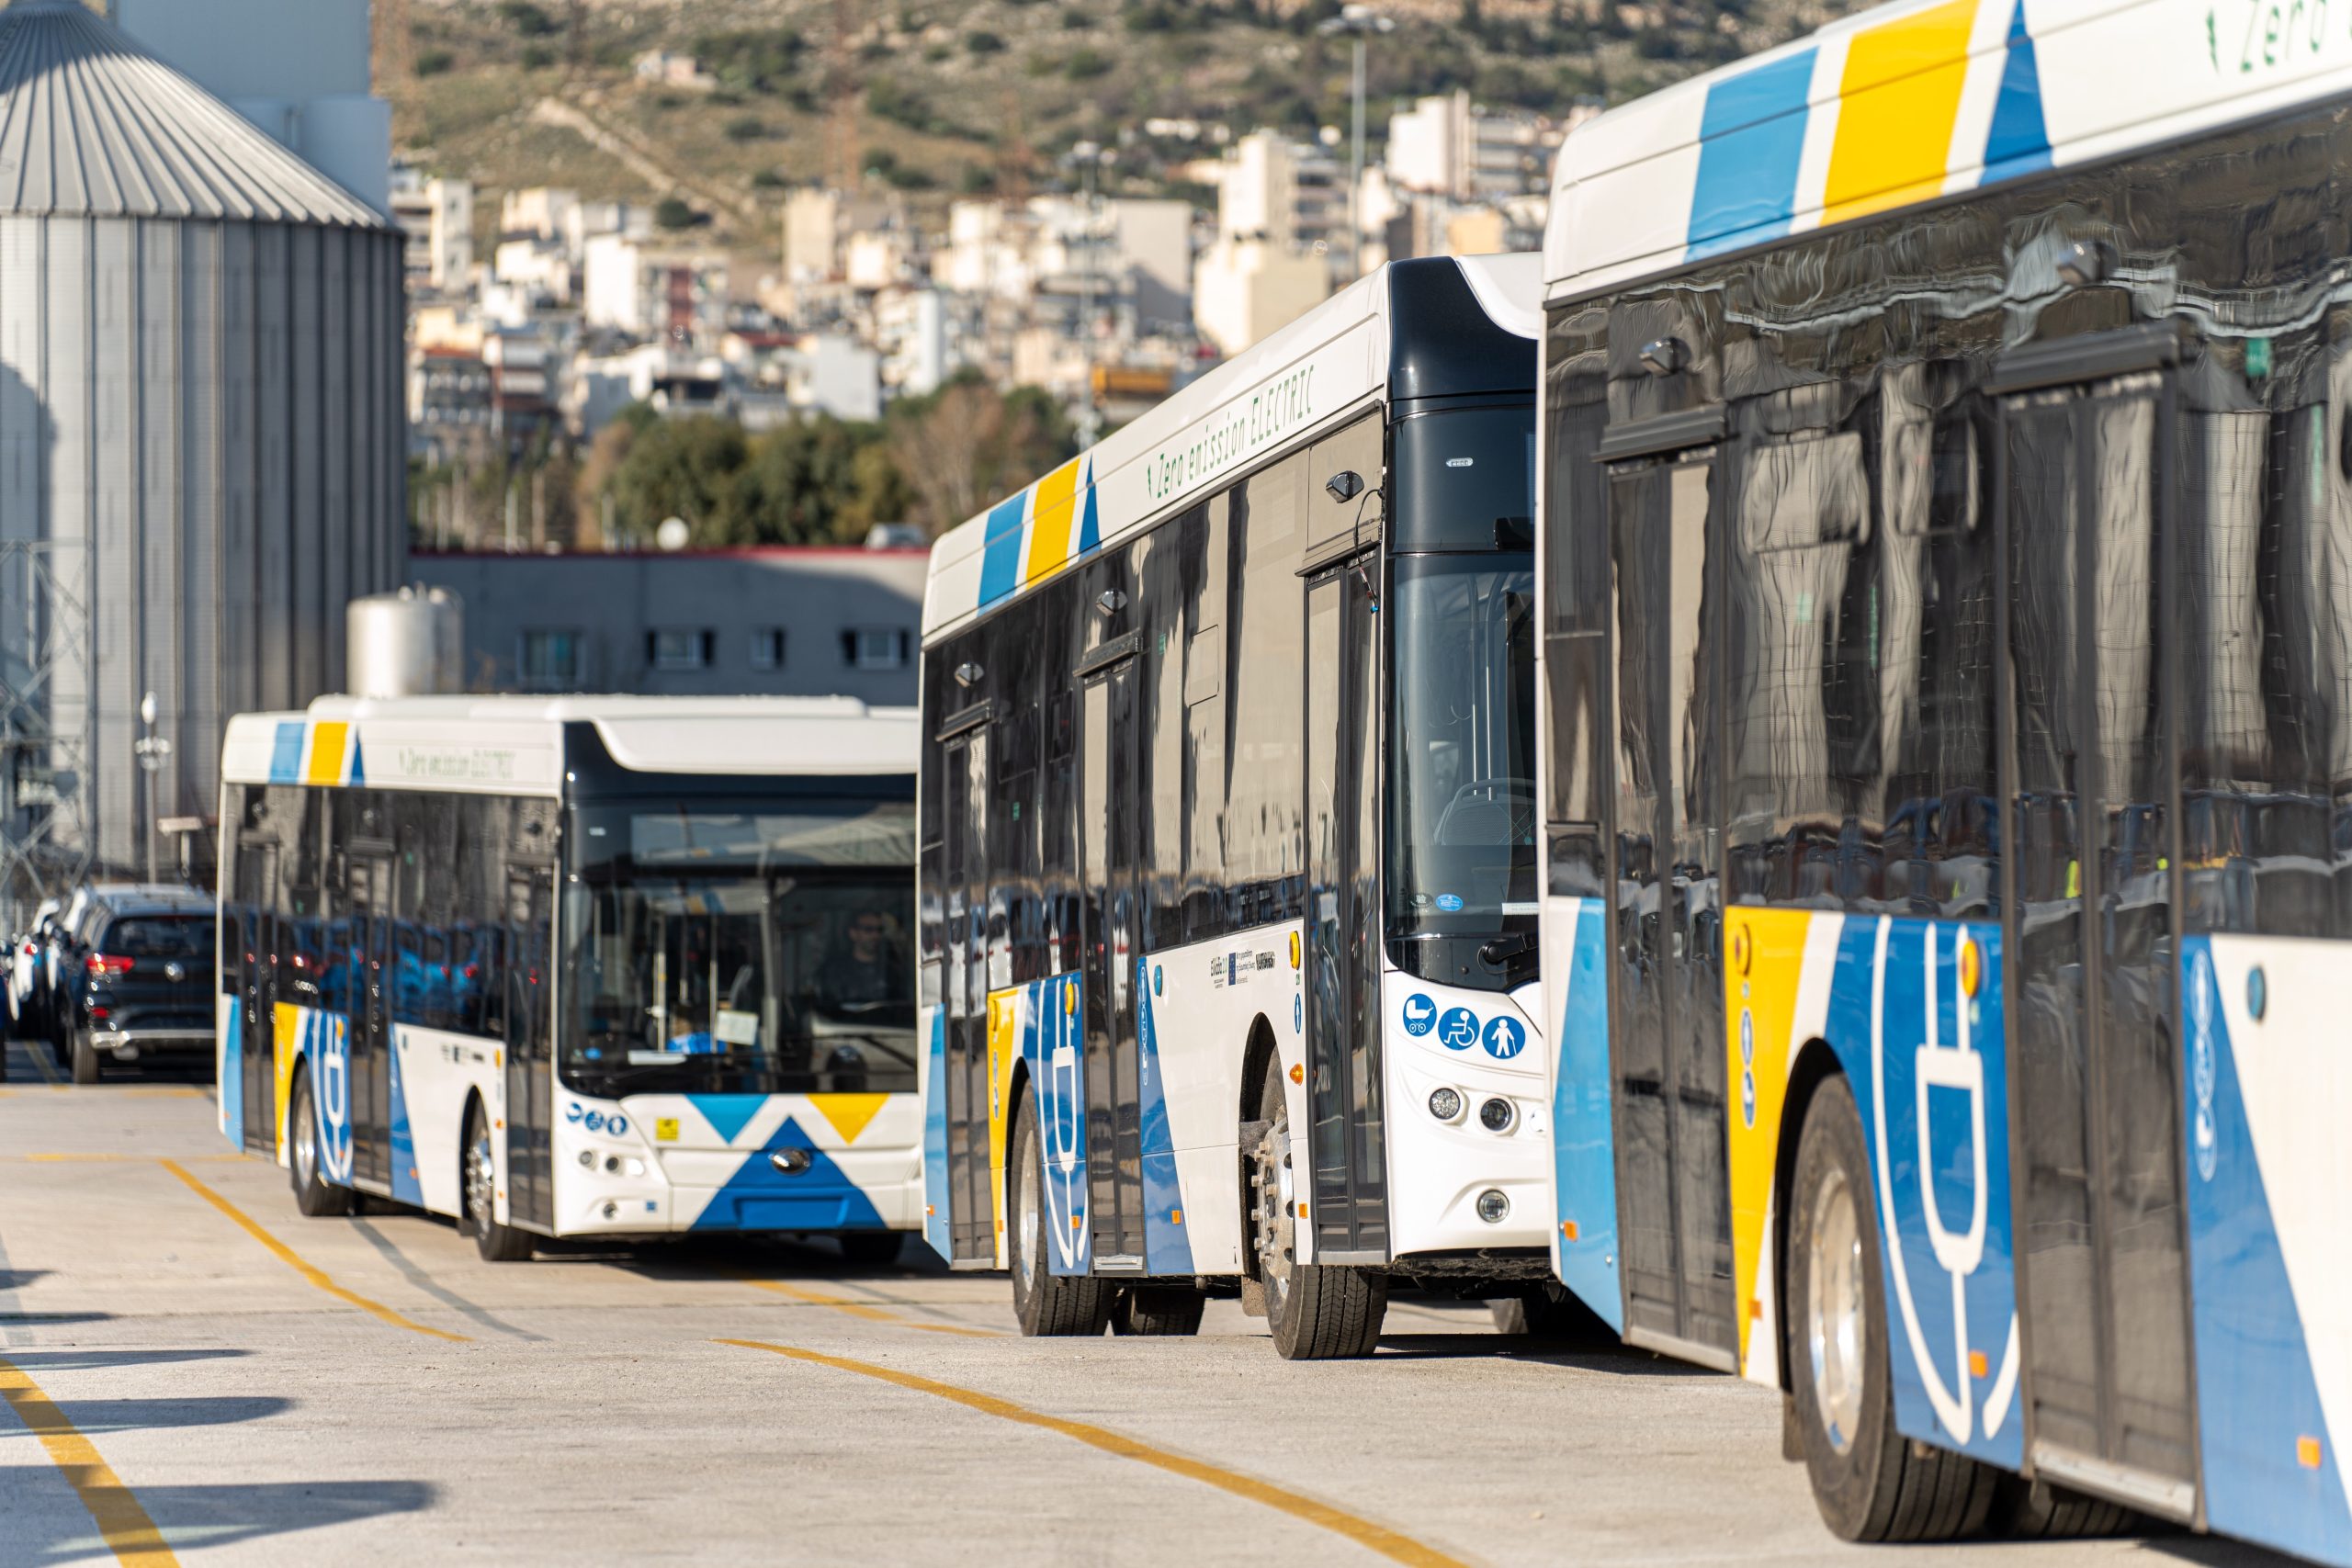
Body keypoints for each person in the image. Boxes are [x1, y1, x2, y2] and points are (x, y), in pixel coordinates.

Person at [816, 912, 899, 1010]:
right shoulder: (834, 970)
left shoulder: (891, 971)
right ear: (853, 933)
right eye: (868, 929)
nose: (875, 935)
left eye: (879, 930)